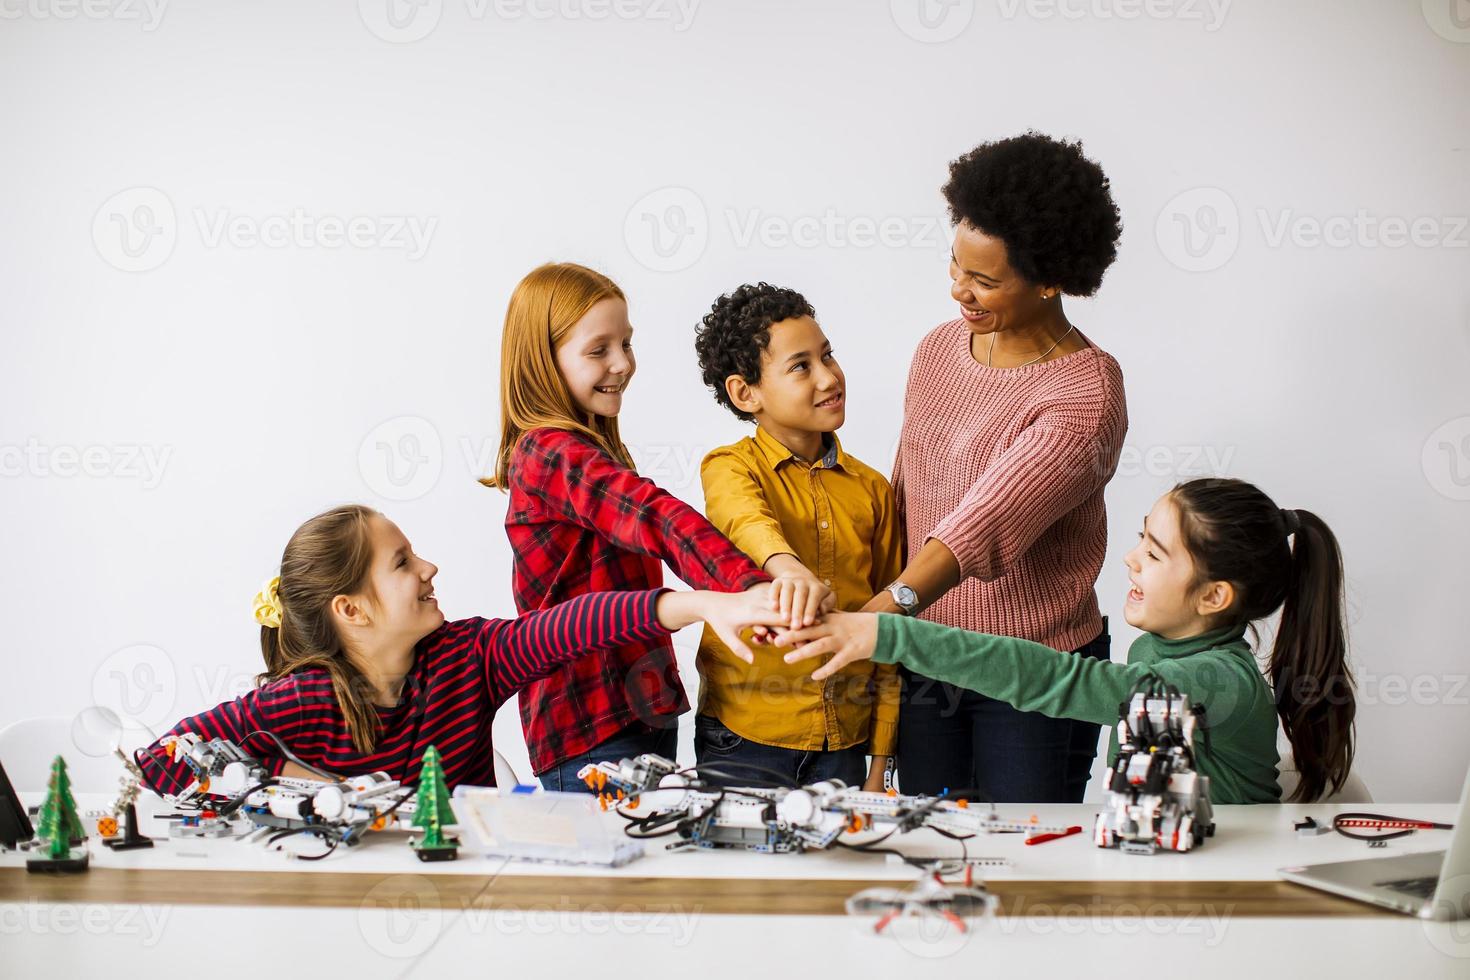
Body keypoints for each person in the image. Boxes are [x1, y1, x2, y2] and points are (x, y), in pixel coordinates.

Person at [136, 505, 788, 794]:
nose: (429, 567)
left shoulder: (468, 657)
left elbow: (575, 624)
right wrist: (287, 780)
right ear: (352, 611)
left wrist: (701, 604)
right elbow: (160, 759)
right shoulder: (304, 701)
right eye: (401, 563)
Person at [781, 479, 1358, 804]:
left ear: (1214, 598)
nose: (1131, 559)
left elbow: (1058, 679)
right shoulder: (1160, 650)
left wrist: (890, 632)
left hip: (1231, 883)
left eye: (1155, 554)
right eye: (1141, 540)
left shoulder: (1214, 680)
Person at [692, 282, 900, 790]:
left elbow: (893, 631)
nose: (829, 377)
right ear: (746, 393)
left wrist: (880, 762)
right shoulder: (729, 468)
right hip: (743, 739)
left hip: (847, 746)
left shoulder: (873, 489)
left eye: (827, 355)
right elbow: (746, 522)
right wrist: (790, 570)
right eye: (801, 366)